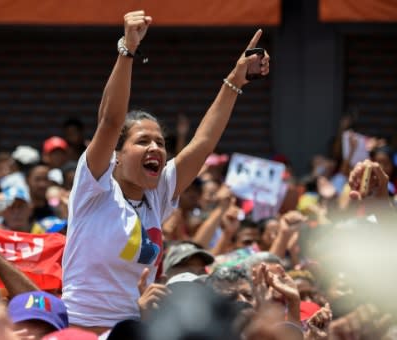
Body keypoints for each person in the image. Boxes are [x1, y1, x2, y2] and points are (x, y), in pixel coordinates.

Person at [61, 10, 270, 332]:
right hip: (82, 331)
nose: (156, 148)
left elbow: (201, 144)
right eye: (142, 141)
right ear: (116, 155)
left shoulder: (156, 195)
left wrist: (235, 79)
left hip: (135, 330)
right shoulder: (94, 188)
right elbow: (111, 121)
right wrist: (127, 50)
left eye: (160, 142)